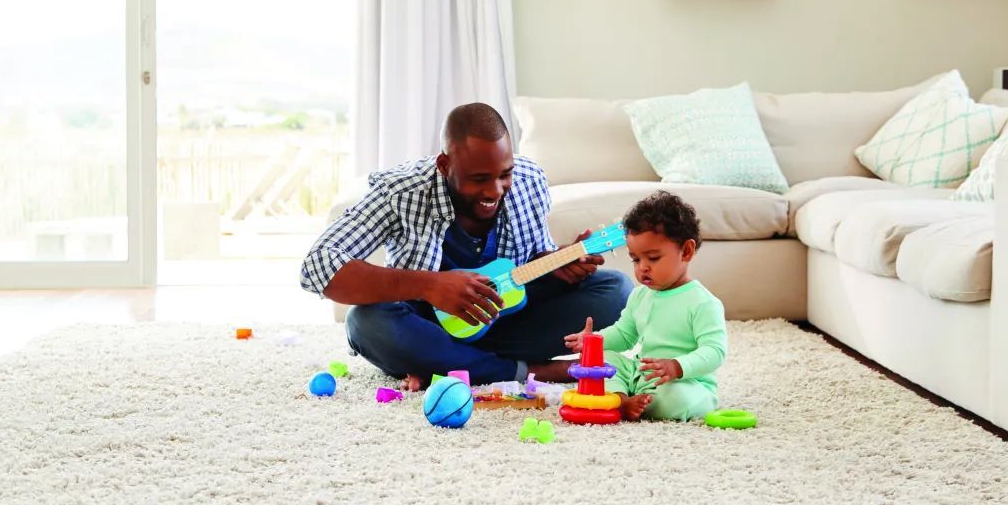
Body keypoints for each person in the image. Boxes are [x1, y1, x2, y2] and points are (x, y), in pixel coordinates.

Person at [300, 102, 632, 388]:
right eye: (478, 179)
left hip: (504, 321)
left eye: (504, 174)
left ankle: (448, 365)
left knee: (615, 290)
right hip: (428, 325)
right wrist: (430, 286)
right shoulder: (399, 191)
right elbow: (317, 265)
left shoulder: (529, 180)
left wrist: (559, 264)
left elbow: (529, 268)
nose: (495, 190)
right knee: (366, 323)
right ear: (444, 166)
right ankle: (526, 370)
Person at [565, 191, 726, 421]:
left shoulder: (703, 302)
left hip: (685, 381)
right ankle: (622, 400)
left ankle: (625, 402)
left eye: (653, 258)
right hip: (642, 374)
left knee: (676, 399)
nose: (642, 268)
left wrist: (676, 367)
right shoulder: (640, 296)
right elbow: (624, 334)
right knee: (604, 361)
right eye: (636, 259)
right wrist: (594, 342)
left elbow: (715, 351)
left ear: (686, 251)